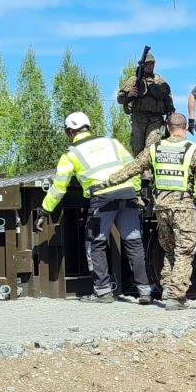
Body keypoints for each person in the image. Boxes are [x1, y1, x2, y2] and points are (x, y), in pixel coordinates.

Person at [92, 113, 196, 311]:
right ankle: (176, 296)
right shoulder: (193, 151)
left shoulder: (154, 149)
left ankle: (167, 289)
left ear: (167, 127)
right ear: (185, 128)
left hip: (161, 208)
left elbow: (132, 168)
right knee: (184, 250)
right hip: (183, 207)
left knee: (169, 250)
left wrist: (107, 183)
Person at [37, 112, 152, 304]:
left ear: (70, 132)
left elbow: (58, 188)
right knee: (134, 243)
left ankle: (103, 292)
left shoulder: (71, 154)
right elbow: (133, 168)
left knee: (95, 244)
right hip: (128, 196)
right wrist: (136, 191)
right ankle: (145, 292)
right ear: (88, 127)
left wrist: (44, 210)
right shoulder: (113, 143)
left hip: (103, 200)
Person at [115, 51, 174, 155]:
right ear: (143, 65)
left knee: (152, 148)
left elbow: (169, 103)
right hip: (138, 119)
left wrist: (170, 120)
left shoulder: (160, 82)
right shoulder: (134, 80)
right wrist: (129, 94)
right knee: (137, 148)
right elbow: (120, 99)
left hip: (155, 120)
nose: (150, 66)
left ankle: (149, 166)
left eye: (152, 63)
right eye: (147, 63)